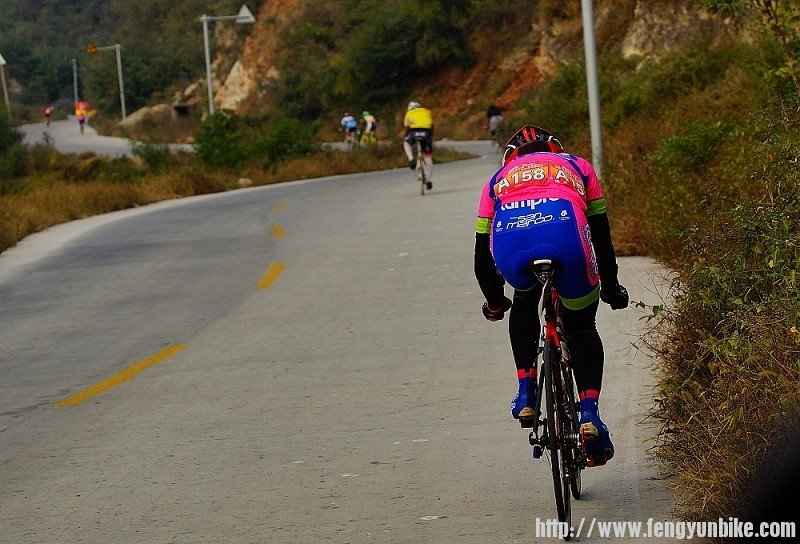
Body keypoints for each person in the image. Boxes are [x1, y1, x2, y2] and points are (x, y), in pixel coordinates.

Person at [473, 124, 629, 467]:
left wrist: (495, 301)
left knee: (525, 298)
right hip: (566, 235)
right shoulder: (578, 166)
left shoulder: (496, 179)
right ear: (555, 149)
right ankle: (589, 413)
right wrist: (611, 287)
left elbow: (482, 255)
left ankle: (526, 390)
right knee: (582, 324)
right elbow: (600, 234)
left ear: (511, 157)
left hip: (513, 244)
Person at [402, 101, 434, 190]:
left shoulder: (409, 113)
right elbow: (432, 126)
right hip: (426, 133)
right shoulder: (426, 112)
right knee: (427, 156)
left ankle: (411, 159)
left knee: (406, 142)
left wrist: (405, 137)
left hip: (414, 132)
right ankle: (428, 179)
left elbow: (407, 128)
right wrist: (430, 136)